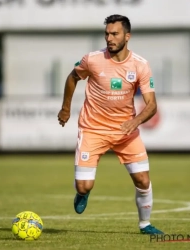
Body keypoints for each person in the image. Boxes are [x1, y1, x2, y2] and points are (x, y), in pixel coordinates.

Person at [57, 14, 164, 235]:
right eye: (107, 33)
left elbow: (152, 105)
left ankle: (145, 225)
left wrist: (133, 122)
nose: (109, 38)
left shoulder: (141, 65)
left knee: (143, 179)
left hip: (126, 132)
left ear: (127, 36)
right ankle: (82, 193)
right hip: (93, 129)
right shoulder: (93, 60)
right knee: (84, 185)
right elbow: (72, 77)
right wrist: (66, 108)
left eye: (114, 34)